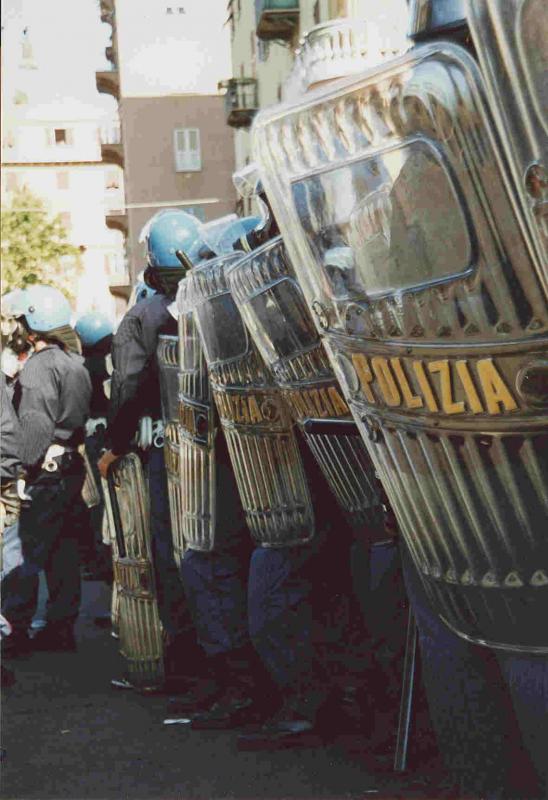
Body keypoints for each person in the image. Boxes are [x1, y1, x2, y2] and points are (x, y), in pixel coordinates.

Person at [98, 209, 204, 684]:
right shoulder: (218, 302)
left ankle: (186, 666)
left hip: (166, 450)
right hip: (223, 452)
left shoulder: (142, 316)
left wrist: (113, 447)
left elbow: (127, 389)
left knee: (171, 554)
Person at [1, 285, 91, 655]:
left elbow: (35, 428)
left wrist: (18, 473)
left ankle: (15, 631)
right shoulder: (73, 362)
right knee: (63, 552)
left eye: (20, 321)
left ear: (33, 325)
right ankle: (60, 627)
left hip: (43, 473)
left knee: (22, 552)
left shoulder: (38, 369)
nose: (15, 328)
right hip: (70, 468)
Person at [74, 311, 114, 581]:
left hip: (91, 437)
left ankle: (99, 560)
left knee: (95, 500)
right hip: (114, 437)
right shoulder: (114, 362)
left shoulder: (83, 367)